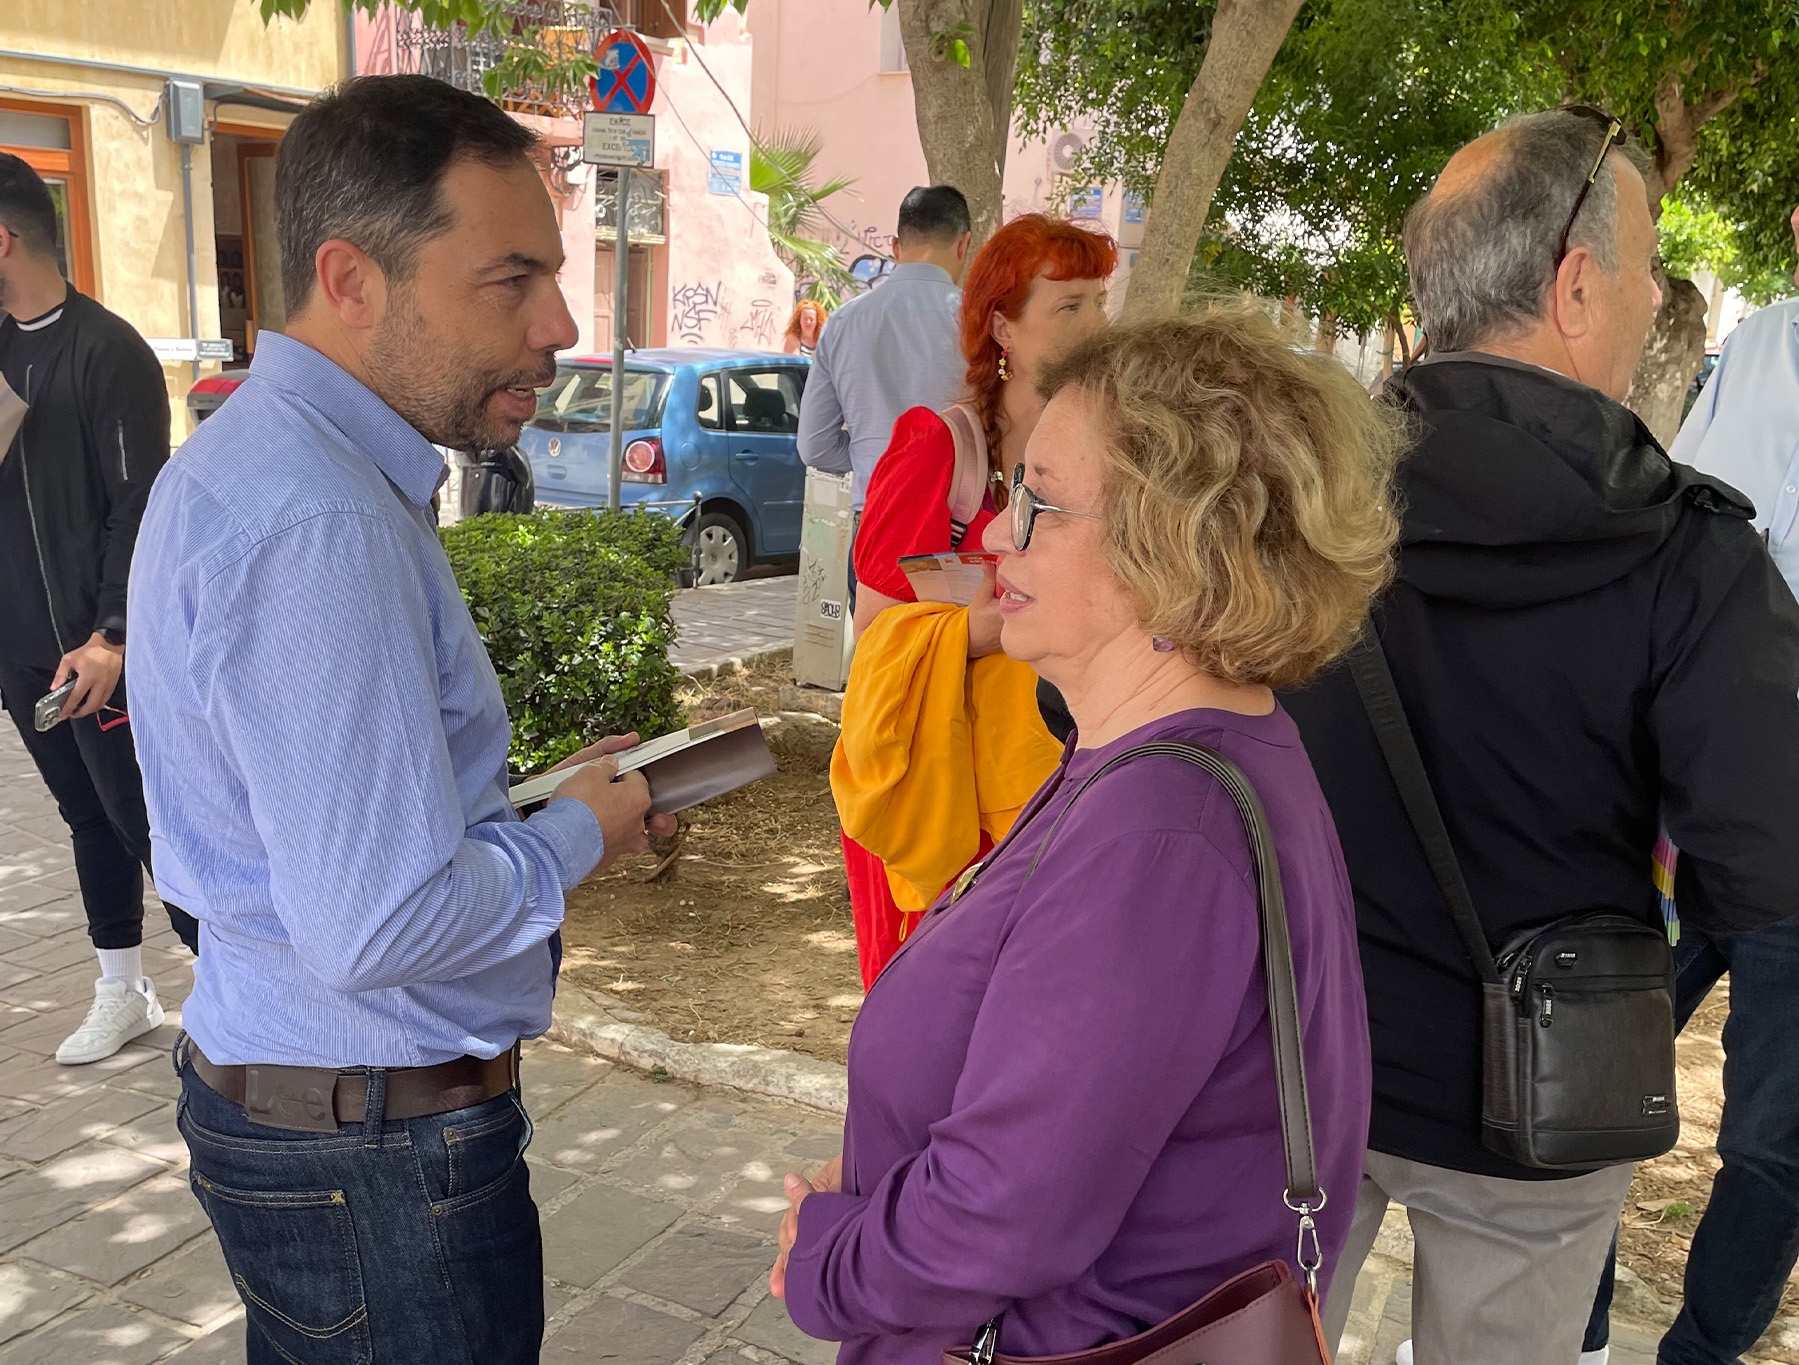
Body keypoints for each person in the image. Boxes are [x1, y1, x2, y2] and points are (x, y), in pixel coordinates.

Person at [126, 76, 675, 1364]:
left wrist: (534, 801)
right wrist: (576, 838)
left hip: (325, 1122)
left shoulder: (265, 465)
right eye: (510, 279)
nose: (559, 325)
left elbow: (318, 827)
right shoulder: (319, 521)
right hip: (374, 1152)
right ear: (351, 279)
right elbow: (378, 922)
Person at [769, 310, 1402, 1365]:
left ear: (1174, 548)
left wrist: (827, 1262)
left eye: (1039, 504)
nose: (995, 537)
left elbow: (1003, 1213)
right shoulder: (1164, 762)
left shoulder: (1161, 831)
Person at [1271, 108, 1799, 1365]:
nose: (1657, 294)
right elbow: (1765, 862)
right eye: (1647, 264)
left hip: (1291, 1060)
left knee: (1246, 1341)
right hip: (1538, 1103)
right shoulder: (1691, 555)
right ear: (1572, 286)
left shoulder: (1287, 494)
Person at [1574, 207, 1799, 1365]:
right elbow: (1691, 528)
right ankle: (1574, 1333)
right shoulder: (1761, 343)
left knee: (1770, 1142)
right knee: (1585, 1076)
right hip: (1692, 796)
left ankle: (1696, 1357)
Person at [831, 214, 1113, 988]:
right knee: (943, 1008)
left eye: (1099, 302)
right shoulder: (937, 445)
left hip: (1060, 778)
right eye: (1068, 306)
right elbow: (876, 636)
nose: (1095, 325)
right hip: (947, 793)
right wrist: (980, 632)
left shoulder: (1106, 457)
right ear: (1001, 328)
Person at [0, 152, 199, 1066]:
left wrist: (113, 634)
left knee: (146, 818)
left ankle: (234, 985)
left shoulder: (107, 350)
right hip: (18, 646)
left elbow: (138, 504)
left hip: (93, 650)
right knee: (85, 813)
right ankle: (124, 987)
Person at [796, 185, 970, 513]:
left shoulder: (842, 322)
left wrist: (874, 458)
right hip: (955, 520)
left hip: (876, 515)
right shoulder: (977, 321)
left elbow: (814, 446)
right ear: (963, 245)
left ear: (895, 247)